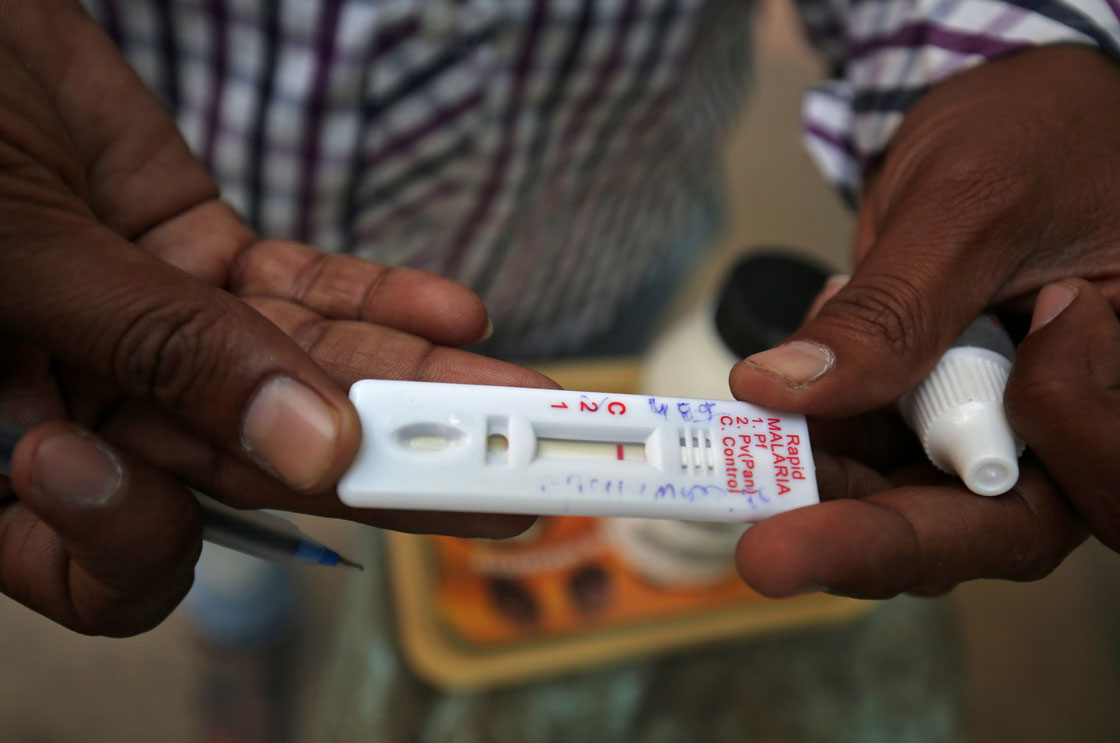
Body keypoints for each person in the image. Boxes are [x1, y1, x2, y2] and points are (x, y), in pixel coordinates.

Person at [0, 0, 1118, 639]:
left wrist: (1019, 53)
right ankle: (242, 623)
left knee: (540, 449)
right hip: (165, 230)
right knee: (205, 510)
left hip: (602, 230)